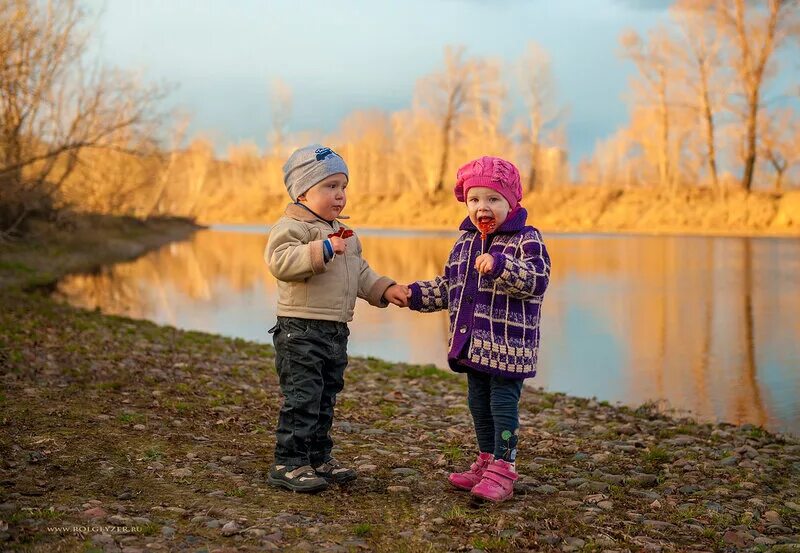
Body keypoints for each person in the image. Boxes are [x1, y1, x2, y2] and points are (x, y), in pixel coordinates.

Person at [405, 156, 550, 502]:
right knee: (478, 404)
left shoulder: (525, 239)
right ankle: (486, 460)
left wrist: (501, 265)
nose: (482, 207)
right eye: (474, 200)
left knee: (502, 403)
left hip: (508, 347)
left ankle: (505, 467)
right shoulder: (465, 242)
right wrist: (412, 295)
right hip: (473, 345)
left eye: (493, 199)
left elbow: (536, 280)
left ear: (512, 202)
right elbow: (449, 287)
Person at [265, 143, 408, 493]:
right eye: (330, 187)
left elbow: (358, 272)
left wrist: (383, 289)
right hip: (299, 330)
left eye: (343, 187)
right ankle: (289, 461)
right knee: (303, 396)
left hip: (334, 331)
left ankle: (317, 456)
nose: (340, 195)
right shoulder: (292, 227)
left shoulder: (345, 235)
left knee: (326, 395)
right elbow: (280, 262)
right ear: (302, 191)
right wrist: (323, 249)